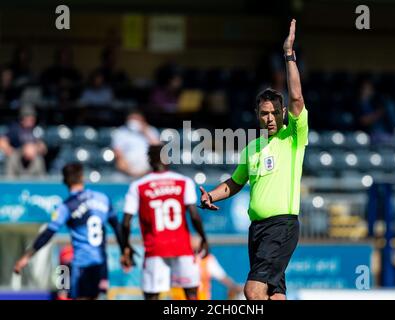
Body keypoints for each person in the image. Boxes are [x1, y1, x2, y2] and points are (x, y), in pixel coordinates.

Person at [198, 19, 308, 300]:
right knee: (274, 294)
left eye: (273, 113)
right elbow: (234, 183)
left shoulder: (292, 138)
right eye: (264, 114)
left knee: (252, 290)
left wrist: (288, 54)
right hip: (258, 230)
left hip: (281, 225)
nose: (269, 118)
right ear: (257, 115)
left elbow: (296, 97)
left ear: (282, 113)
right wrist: (212, 194)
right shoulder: (253, 148)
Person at [14, 162, 125, 300]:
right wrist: (125, 251)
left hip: (82, 264)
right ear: (82, 177)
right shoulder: (102, 198)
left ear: (64, 181)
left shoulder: (67, 206)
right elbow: (117, 226)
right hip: (101, 264)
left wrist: (27, 256)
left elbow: (48, 232)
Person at [120, 145, 209, 300]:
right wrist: (203, 238)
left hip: (155, 247)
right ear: (167, 158)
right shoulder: (183, 182)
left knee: (152, 296)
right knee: (191, 294)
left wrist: (126, 246)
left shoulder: (138, 186)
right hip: (182, 246)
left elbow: (126, 222)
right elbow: (194, 215)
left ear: (149, 161)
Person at [111, 110, 160, 179]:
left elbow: (158, 148)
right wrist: (130, 172)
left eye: (136, 119)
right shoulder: (120, 132)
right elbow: (118, 153)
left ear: (142, 119)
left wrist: (145, 131)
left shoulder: (151, 130)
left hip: (148, 170)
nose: (134, 122)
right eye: (132, 119)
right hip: (127, 170)